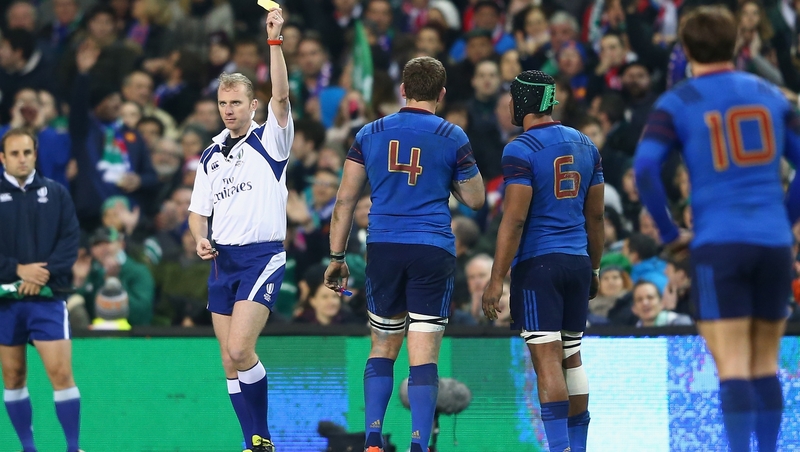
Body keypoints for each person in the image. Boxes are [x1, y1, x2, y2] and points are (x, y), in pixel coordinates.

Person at [634, 6, 800, 452]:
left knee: (733, 366)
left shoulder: (678, 101)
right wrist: (784, 219)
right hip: (773, 243)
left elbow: (647, 168)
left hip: (718, 243)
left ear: (685, 49)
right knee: (765, 363)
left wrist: (669, 235)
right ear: (737, 46)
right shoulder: (771, 94)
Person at [323, 56, 485, 452]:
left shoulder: (370, 132)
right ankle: (418, 444)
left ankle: (373, 439)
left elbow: (345, 201)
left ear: (403, 90)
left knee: (382, 345)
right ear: (441, 94)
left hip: (384, 246)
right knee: (424, 350)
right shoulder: (452, 135)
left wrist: (337, 256)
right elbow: (477, 199)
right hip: (431, 247)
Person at [482, 70, 605, 452]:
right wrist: (595, 267)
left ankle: (559, 449)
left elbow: (515, 218)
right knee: (573, 355)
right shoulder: (586, 144)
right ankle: (578, 447)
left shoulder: (520, 148)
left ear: (523, 103)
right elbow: (596, 217)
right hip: (578, 260)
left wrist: (496, 278)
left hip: (539, 264)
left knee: (547, 358)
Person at [187, 8, 292, 452]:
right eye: (223, 103)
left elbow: (282, 99)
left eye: (237, 103)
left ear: (253, 105)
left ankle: (261, 436)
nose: (229, 110)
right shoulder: (210, 155)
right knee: (228, 363)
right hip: (223, 260)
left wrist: (274, 42)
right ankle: (252, 442)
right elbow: (198, 211)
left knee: (239, 350)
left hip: (262, 255)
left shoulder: (271, 139)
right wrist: (198, 237)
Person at [0, 128, 82, 452]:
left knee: (60, 372)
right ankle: (28, 448)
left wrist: (40, 276)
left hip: (48, 298)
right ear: (3, 158)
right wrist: (19, 271)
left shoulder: (57, 192)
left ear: (35, 155)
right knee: (14, 375)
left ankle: (73, 447)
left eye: (27, 153)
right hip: (5, 300)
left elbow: (70, 241)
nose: (22, 159)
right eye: (15, 154)